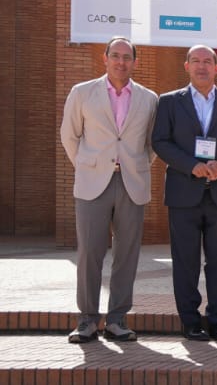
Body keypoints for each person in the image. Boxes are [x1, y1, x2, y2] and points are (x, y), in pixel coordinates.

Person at [59, 36, 157, 344]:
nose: (120, 62)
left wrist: (135, 165)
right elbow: (69, 135)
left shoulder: (149, 98)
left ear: (135, 62)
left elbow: (152, 143)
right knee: (90, 252)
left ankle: (117, 319)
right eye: (115, 55)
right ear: (105, 58)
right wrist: (87, 165)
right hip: (93, 183)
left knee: (127, 253)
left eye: (127, 57)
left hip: (131, 183)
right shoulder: (82, 92)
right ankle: (87, 319)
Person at [152, 45, 217, 342]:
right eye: (196, 61)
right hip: (183, 193)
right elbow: (160, 141)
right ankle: (191, 321)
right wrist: (190, 165)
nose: (202, 66)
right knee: (185, 262)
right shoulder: (169, 102)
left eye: (208, 61)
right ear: (187, 66)